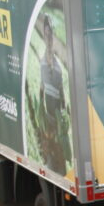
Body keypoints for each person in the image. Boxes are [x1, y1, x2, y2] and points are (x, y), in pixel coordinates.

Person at [38, 15, 65, 171]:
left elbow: (60, 89)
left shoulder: (54, 61)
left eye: (50, 34)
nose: (49, 37)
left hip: (57, 113)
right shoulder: (45, 60)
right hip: (49, 112)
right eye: (46, 34)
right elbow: (42, 87)